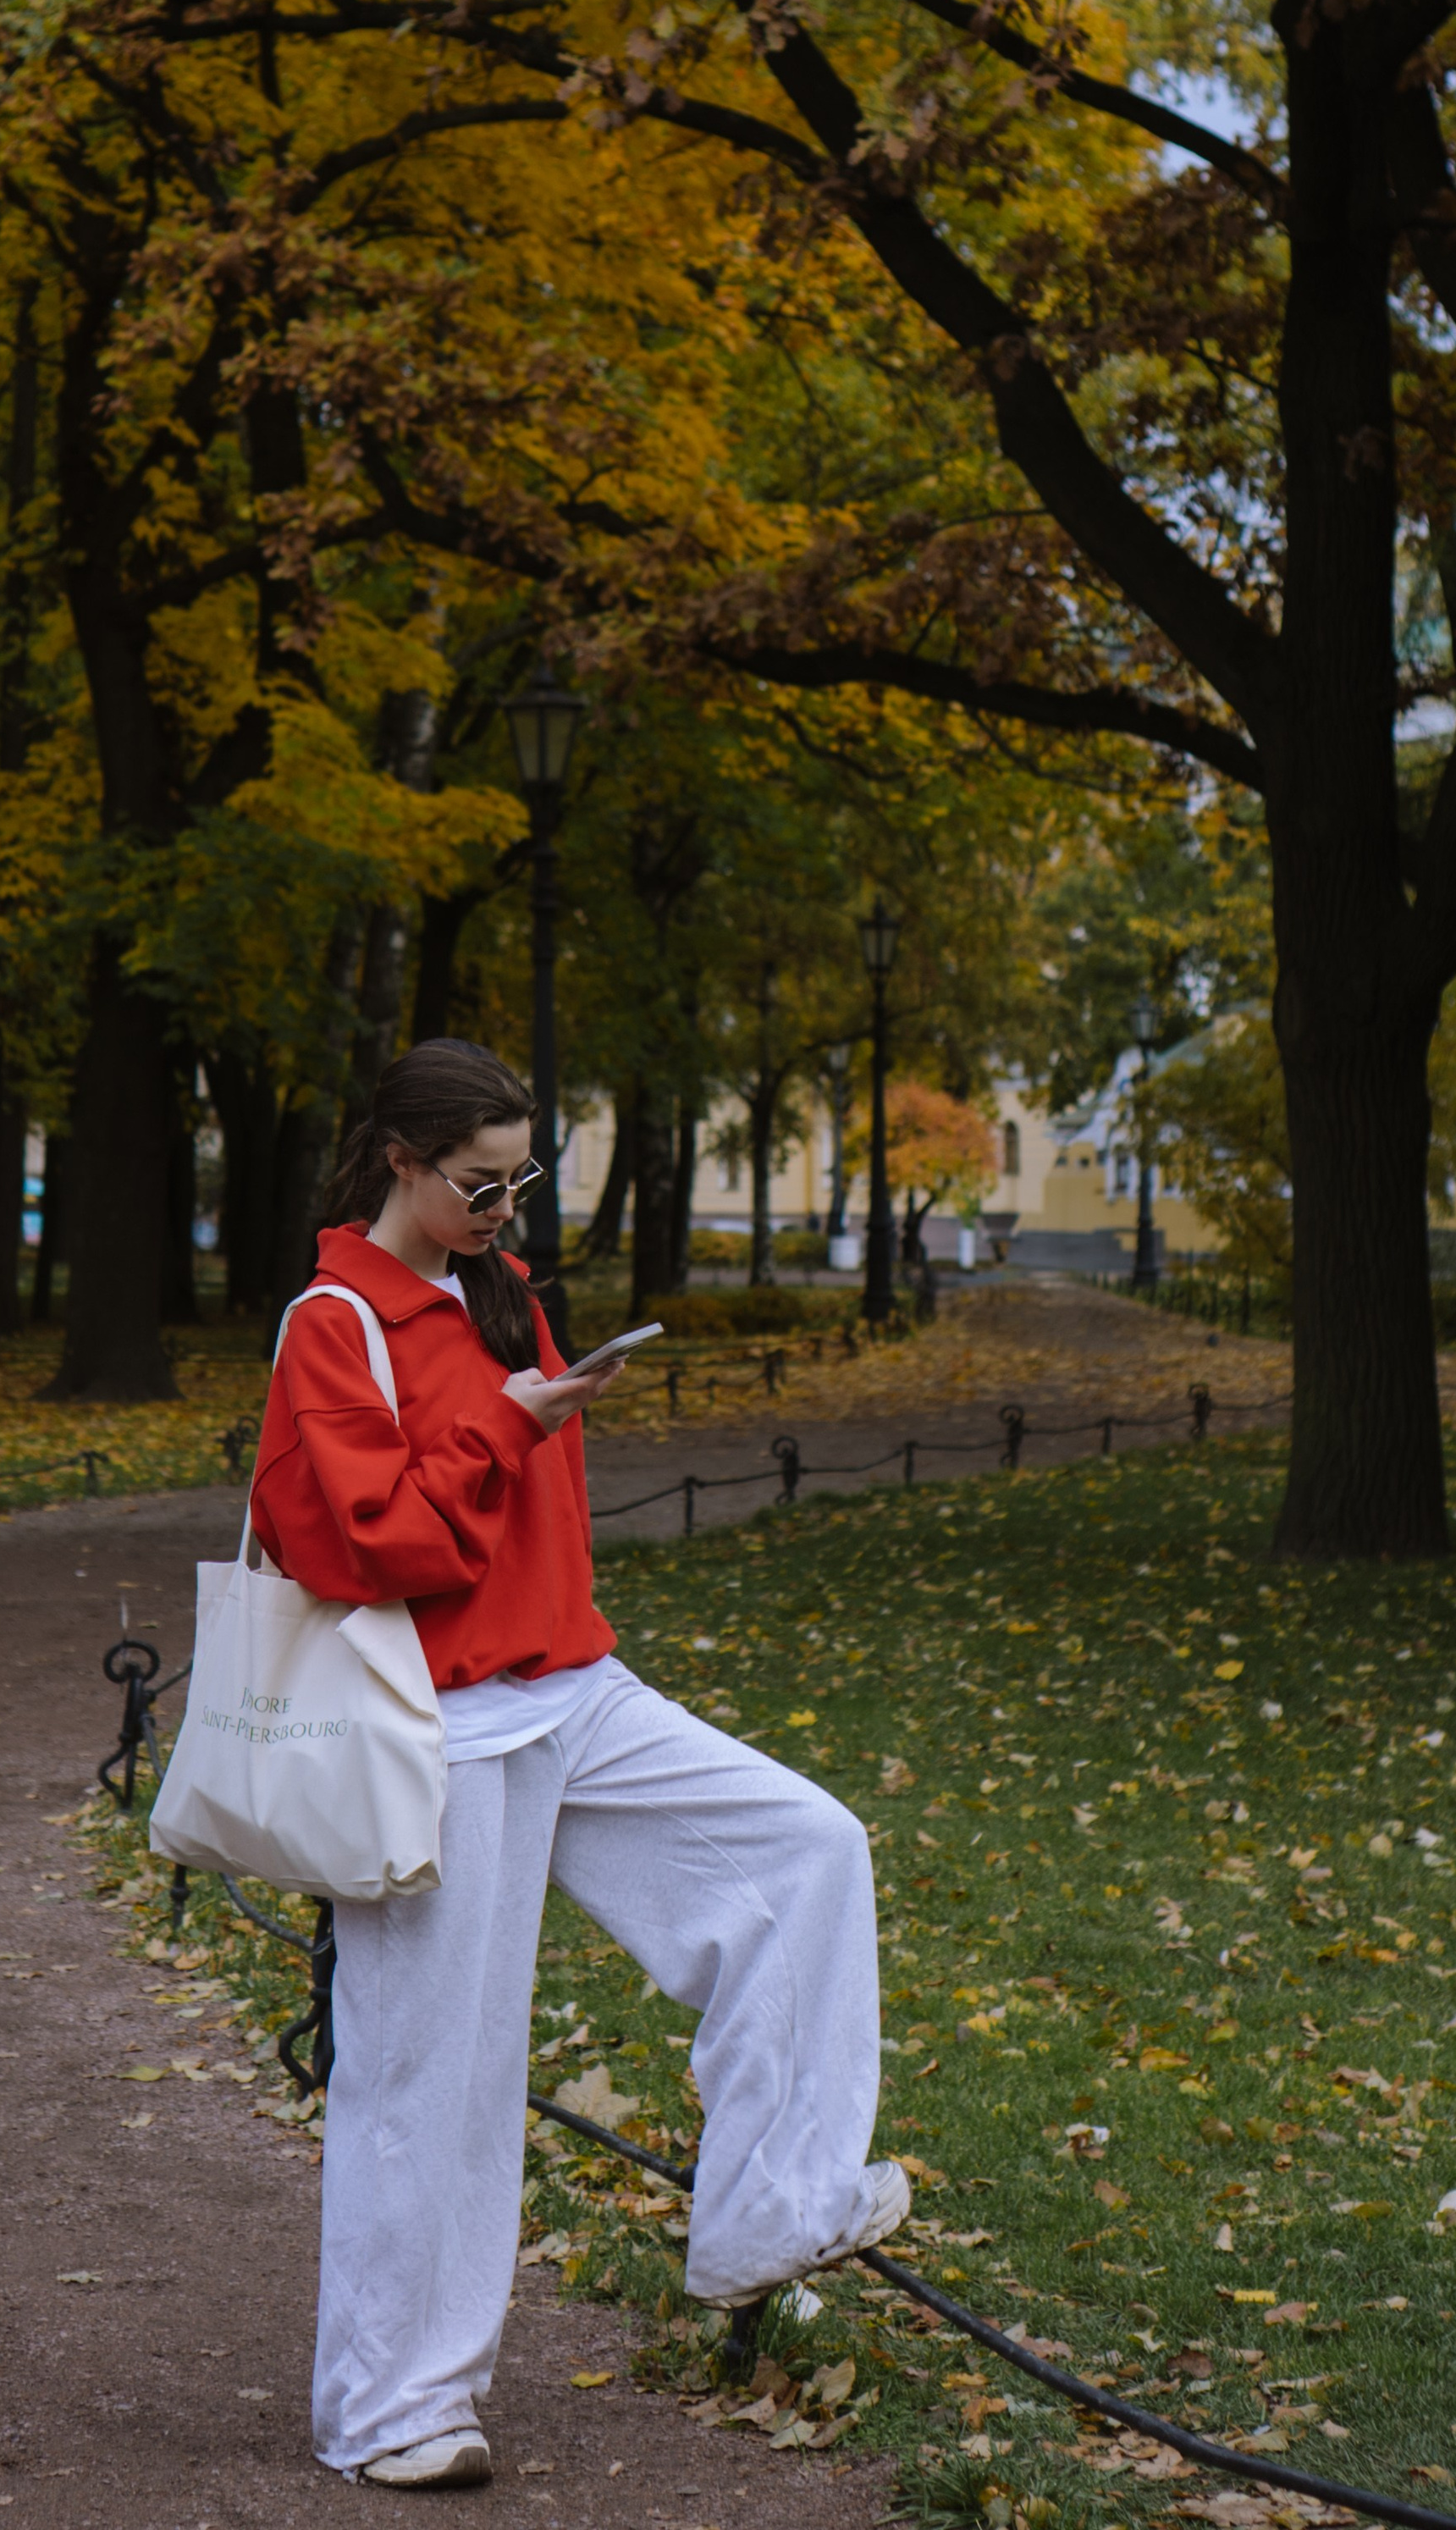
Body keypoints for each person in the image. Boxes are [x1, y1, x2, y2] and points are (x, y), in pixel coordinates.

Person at [251, 1036, 907, 2492]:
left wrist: (526, 1410)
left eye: (521, 1180)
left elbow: (525, 1518)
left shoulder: (499, 1291)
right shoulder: (334, 1320)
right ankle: (393, 2408)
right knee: (435, 2069)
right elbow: (363, 1544)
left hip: (573, 1687)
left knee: (805, 1850)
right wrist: (506, 1423)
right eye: (479, 1184)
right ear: (400, 1163)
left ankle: (767, 2212)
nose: (505, 1209)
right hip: (433, 1722)